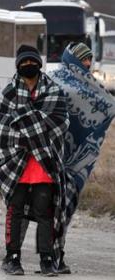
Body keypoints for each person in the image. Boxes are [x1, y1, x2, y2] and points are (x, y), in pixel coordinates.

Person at [0, 45, 69, 276]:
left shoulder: (54, 91)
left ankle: (47, 259)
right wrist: (32, 132)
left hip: (44, 163)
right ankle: (12, 257)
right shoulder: (8, 93)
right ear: (18, 66)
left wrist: (27, 126)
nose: (28, 66)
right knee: (14, 211)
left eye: (32, 62)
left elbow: (61, 123)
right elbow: (1, 130)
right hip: (16, 163)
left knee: (45, 212)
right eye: (24, 63)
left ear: (39, 63)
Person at [46, 42, 115, 273]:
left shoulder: (91, 86)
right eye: (82, 59)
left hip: (77, 161)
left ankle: (58, 253)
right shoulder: (54, 78)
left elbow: (106, 104)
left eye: (89, 59)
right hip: (50, 155)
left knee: (66, 208)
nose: (86, 63)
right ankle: (46, 256)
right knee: (49, 208)